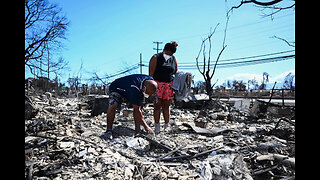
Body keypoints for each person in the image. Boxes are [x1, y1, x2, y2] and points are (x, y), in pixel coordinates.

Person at [105, 74, 158, 139]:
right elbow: (136, 110)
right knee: (113, 106)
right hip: (116, 88)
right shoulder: (134, 89)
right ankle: (109, 130)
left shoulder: (150, 80)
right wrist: (146, 127)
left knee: (139, 106)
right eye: (147, 93)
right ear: (144, 88)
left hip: (130, 88)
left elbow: (138, 110)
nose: (147, 95)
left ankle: (137, 130)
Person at [148, 41, 178, 134]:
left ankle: (166, 126)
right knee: (157, 105)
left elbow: (175, 71)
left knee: (166, 106)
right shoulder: (156, 57)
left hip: (169, 85)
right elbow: (151, 73)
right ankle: (157, 126)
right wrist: (151, 87)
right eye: (168, 53)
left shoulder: (173, 59)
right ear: (164, 50)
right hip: (157, 84)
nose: (170, 55)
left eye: (172, 54)